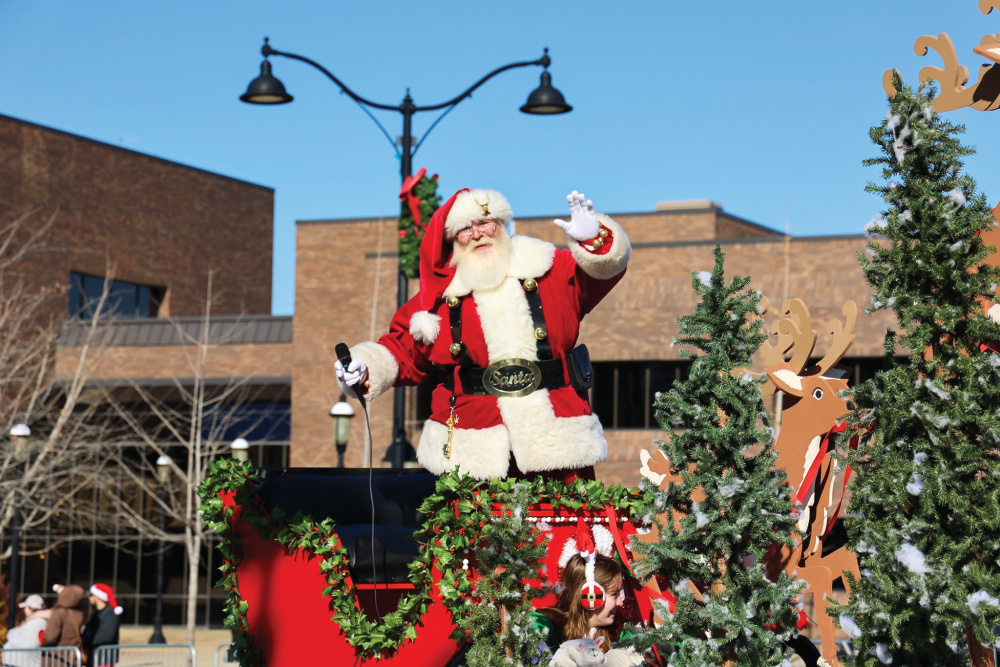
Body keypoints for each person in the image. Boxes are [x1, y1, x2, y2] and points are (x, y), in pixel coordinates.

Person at [336, 188, 630, 481]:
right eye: (465, 229)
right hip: (473, 451)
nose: (477, 234)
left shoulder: (550, 267)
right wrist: (364, 367)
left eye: (485, 223)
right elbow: (402, 351)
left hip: (558, 440)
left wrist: (593, 240)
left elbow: (599, 274)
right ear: (453, 240)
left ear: (502, 225)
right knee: (474, 527)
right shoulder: (437, 301)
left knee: (564, 526)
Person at [2, 594, 50, 667]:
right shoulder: (39, 621)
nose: (24, 610)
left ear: (30, 608)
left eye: (25, 607)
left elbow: (11, 635)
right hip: (20, 661)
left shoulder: (37, 622)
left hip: (20, 662)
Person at [40, 585, 86, 656]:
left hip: (56, 657)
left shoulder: (59, 613)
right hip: (73, 656)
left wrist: (42, 645)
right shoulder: (80, 614)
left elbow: (50, 638)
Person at [82, 584, 121, 667]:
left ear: (98, 597)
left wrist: (88, 641)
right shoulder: (95, 613)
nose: (89, 597)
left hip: (104, 658)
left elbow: (106, 636)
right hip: (92, 656)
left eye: (91, 595)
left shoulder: (110, 614)